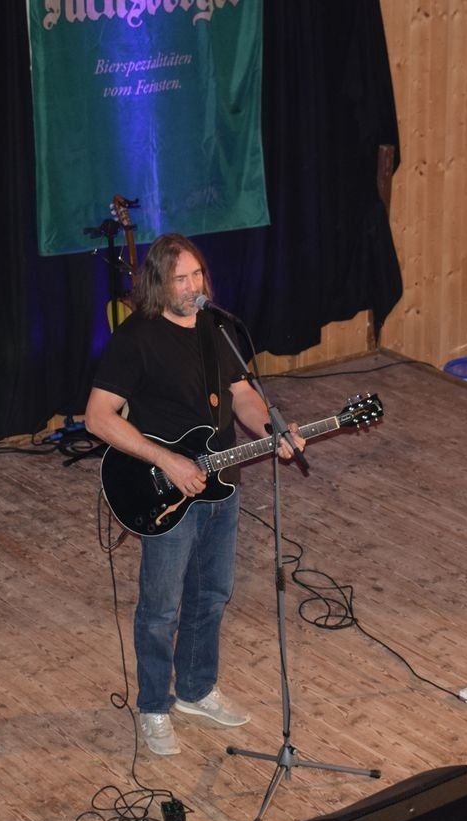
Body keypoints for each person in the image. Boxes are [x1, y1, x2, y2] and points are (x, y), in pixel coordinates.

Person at [85, 233, 303, 756]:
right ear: (157, 284)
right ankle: (154, 707)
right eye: (179, 279)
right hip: (164, 486)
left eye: (197, 275)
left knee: (212, 593)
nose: (191, 287)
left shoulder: (216, 328)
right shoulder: (136, 338)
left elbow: (243, 395)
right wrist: (166, 460)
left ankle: (196, 690)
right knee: (161, 607)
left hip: (221, 482)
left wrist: (271, 430)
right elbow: (97, 417)